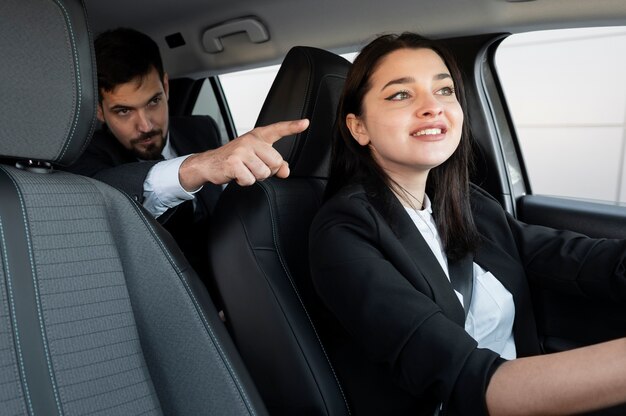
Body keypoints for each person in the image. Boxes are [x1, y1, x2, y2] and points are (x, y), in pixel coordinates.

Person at [308, 32, 626, 416]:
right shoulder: (343, 234)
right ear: (359, 128)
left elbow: (579, 259)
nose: (432, 107)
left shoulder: (464, 203)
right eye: (400, 95)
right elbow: (470, 382)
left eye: (444, 91)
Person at [65, 28, 308, 281]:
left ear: (166, 88)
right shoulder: (81, 157)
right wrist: (197, 167)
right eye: (124, 111)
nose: (146, 125)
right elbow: (105, 198)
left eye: (153, 101)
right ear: (100, 112)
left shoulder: (201, 129)